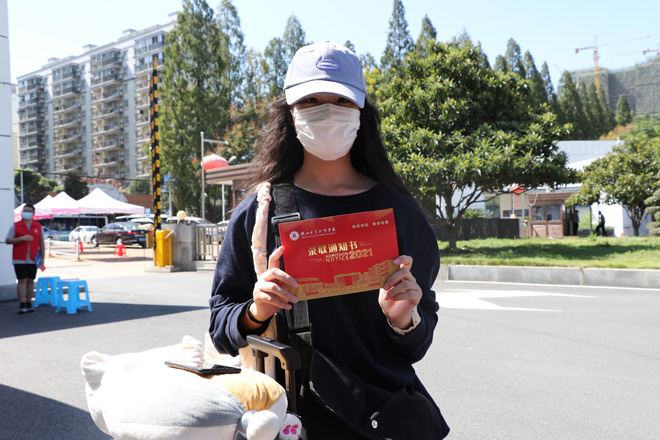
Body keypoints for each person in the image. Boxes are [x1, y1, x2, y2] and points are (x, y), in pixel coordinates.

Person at [209, 41, 449, 439]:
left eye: (341, 100)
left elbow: (418, 343)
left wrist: (404, 319)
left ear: (361, 112)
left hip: (388, 417)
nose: (326, 111)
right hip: (293, 420)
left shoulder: (400, 212)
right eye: (311, 101)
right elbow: (221, 325)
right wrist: (257, 309)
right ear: (289, 112)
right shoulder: (260, 211)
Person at [5, 203, 45, 314]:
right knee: (22, 280)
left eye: (29, 211)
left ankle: (29, 302)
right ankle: (22, 303)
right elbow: (8, 240)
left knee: (31, 281)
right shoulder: (16, 226)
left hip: (33, 258)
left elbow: (41, 243)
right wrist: (22, 238)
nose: (26, 213)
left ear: (33, 213)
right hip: (19, 258)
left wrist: (42, 258)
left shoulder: (38, 226)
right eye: (25, 211)